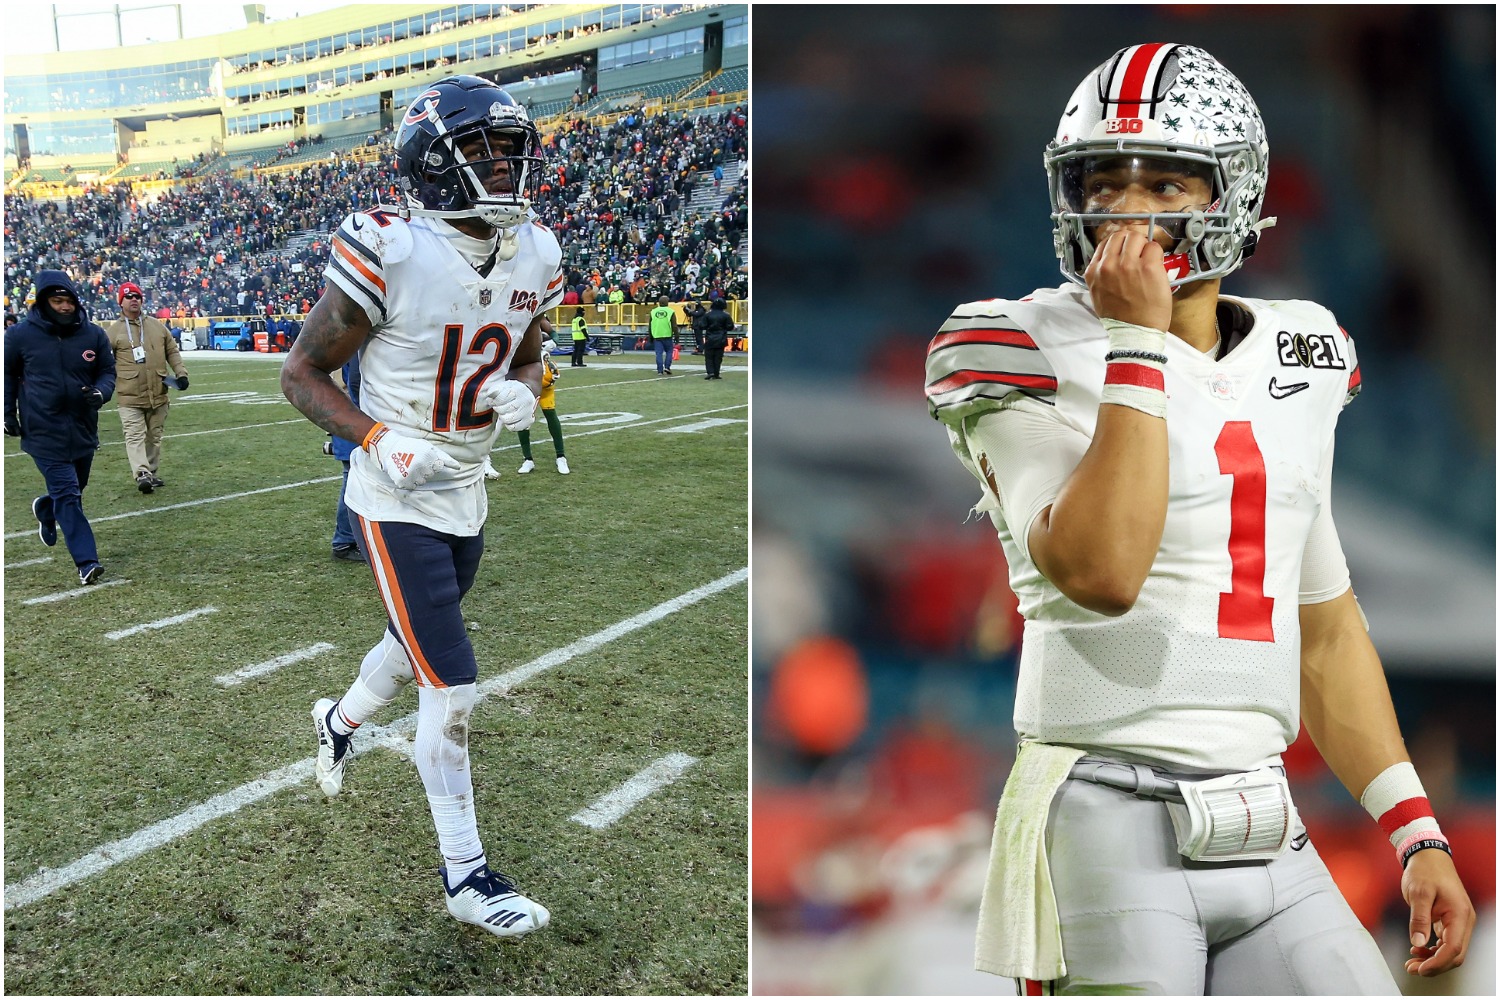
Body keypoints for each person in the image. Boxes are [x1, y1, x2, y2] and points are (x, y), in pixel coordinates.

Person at [924, 44, 1473, 995]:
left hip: (1269, 818)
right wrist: (1137, 343)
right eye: (1104, 181)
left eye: (1167, 182)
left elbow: (1325, 624)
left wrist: (1414, 827)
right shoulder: (1012, 343)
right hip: (1103, 814)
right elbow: (1101, 570)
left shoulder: (1303, 350)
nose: (1129, 211)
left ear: (1235, 195)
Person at [280, 75, 560, 940]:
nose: (504, 164)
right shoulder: (391, 248)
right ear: (433, 165)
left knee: (413, 643)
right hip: (393, 490)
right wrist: (372, 438)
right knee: (453, 681)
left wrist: (525, 388)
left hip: (466, 489)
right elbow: (300, 374)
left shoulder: (537, 253)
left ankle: (338, 719)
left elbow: (529, 357)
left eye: (511, 149)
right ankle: (466, 876)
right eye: (483, 150)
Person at [4, 270, 115, 586]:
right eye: (57, 300)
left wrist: (100, 393)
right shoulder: (19, 336)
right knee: (68, 493)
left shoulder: (93, 334)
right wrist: (7, 413)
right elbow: (8, 376)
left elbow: (107, 372)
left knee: (76, 487)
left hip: (82, 427)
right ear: (43, 302)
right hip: (42, 430)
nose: (65, 307)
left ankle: (46, 508)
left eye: (69, 300)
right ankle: (87, 561)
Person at [102, 281, 189, 493]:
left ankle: (150, 472)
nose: (134, 300)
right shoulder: (113, 332)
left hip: (158, 392)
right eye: (129, 296)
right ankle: (141, 473)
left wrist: (181, 374)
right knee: (134, 435)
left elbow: (172, 351)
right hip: (129, 395)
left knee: (154, 436)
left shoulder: (157, 326)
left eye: (137, 297)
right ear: (120, 302)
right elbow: (103, 362)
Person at [516, 320, 569, 474]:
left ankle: (561, 457)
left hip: (541, 372)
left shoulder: (537, 316)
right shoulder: (515, 318)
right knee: (523, 418)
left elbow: (553, 333)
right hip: (524, 372)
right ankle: (527, 459)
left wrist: (553, 342)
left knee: (551, 415)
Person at [328, 354, 366, 562]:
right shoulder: (358, 343)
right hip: (354, 417)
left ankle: (349, 538)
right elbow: (356, 381)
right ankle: (344, 540)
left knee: (353, 477)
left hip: (344, 415)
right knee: (353, 478)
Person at [700, 298, 734, 381]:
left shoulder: (708, 315)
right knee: (718, 357)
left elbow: (702, 326)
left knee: (709, 357)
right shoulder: (726, 315)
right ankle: (716, 373)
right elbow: (730, 326)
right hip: (721, 338)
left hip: (710, 338)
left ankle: (710, 372)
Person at [649, 293, 677, 376]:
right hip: (667, 334)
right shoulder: (670, 311)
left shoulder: (653, 312)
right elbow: (674, 325)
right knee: (669, 352)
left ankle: (660, 370)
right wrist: (677, 336)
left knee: (659, 354)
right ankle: (667, 367)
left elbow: (650, 325)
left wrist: (650, 336)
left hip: (657, 335)